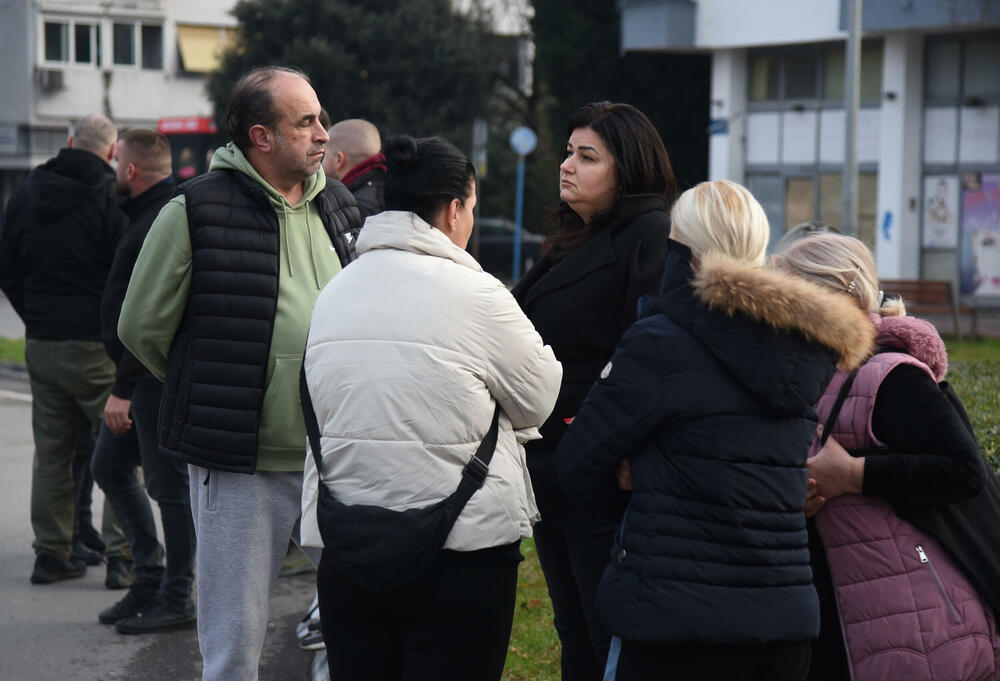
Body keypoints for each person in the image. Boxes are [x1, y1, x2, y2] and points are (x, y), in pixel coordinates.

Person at [557, 181, 876, 681]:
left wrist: (644, 468)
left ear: (680, 252)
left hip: (670, 620)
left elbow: (576, 464)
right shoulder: (802, 350)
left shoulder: (658, 344)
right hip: (783, 622)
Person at [118, 66, 361, 681]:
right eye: (304, 121)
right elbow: (141, 325)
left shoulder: (337, 202)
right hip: (237, 463)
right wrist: (208, 379)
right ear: (261, 136)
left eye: (322, 118)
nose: (321, 133)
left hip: (331, 455)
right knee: (234, 643)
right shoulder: (195, 209)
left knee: (356, 620)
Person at [300, 134, 562, 681]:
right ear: (454, 209)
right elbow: (539, 399)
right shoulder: (479, 294)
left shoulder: (335, 292)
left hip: (349, 545)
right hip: (461, 553)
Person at [774, 233, 1000, 681]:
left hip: (915, 625)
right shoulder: (812, 376)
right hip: (854, 615)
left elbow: (962, 470)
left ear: (832, 297)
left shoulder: (888, 374)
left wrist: (855, 475)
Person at [509, 101, 674, 680]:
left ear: (626, 169)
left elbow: (644, 354)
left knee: (605, 629)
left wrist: (608, 445)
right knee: (572, 626)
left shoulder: (649, 235)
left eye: (587, 156)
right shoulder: (573, 238)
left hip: (598, 464)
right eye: (567, 152)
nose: (566, 166)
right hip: (554, 463)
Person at [0, 113, 131, 585]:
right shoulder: (111, 196)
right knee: (120, 450)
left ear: (70, 141)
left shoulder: (29, 191)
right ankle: (124, 557)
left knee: (52, 452)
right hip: (97, 346)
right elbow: (124, 274)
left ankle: (52, 553)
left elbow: (7, 263)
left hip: (42, 342)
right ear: (112, 150)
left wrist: (33, 314)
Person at [92, 128, 199, 634]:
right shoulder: (147, 212)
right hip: (141, 378)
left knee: (167, 488)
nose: (115, 173)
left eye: (119, 166)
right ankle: (148, 576)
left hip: (152, 379)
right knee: (110, 467)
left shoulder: (162, 217)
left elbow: (156, 313)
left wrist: (124, 388)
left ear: (130, 170)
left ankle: (177, 596)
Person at [323, 118, 385, 221]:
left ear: (339, 159)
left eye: (324, 155)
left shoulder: (352, 208)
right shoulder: (390, 192)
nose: (320, 163)